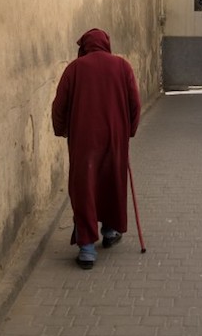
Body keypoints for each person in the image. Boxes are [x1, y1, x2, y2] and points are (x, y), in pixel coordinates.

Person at [51, 28, 141, 269]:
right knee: (111, 182)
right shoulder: (123, 67)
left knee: (85, 188)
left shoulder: (75, 69)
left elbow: (59, 105)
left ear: (85, 46)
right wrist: (128, 131)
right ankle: (110, 232)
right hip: (115, 139)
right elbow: (135, 103)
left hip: (83, 141)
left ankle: (87, 248)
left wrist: (60, 129)